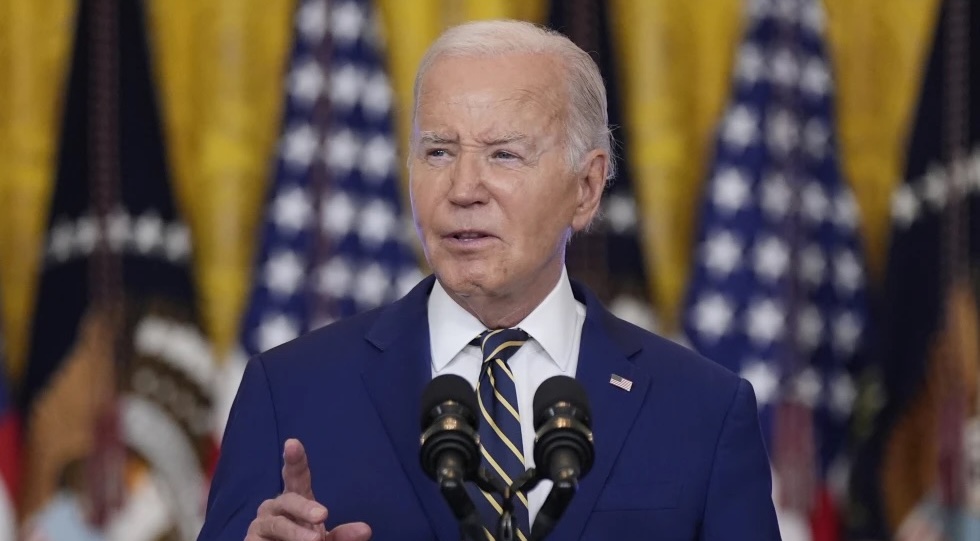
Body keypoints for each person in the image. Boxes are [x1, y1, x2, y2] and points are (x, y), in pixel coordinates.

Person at [198, 19, 781, 541]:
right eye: (438, 152)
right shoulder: (290, 392)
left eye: (503, 155)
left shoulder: (703, 411)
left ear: (587, 186)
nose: (462, 188)